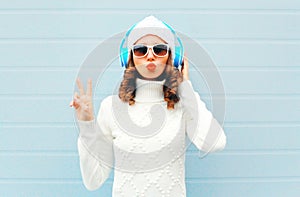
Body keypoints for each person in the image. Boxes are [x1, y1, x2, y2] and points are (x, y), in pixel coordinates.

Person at [70, 15, 227, 197]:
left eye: (159, 50)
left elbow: (215, 143)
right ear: (129, 58)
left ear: (172, 58)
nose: (150, 55)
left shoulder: (183, 105)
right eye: (140, 49)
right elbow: (93, 181)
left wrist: (185, 86)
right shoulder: (110, 107)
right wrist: (87, 125)